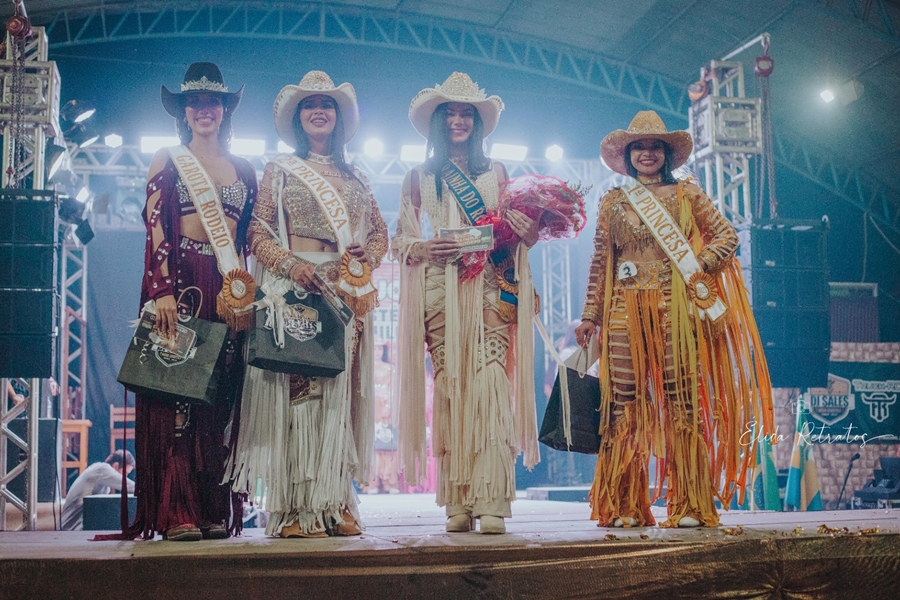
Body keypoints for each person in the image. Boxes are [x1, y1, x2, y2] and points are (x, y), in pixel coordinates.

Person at [574, 111, 773, 528]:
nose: (647, 153)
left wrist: (697, 267)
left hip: (676, 308)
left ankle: (691, 504)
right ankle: (625, 504)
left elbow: (727, 236)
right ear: (628, 154)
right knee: (622, 404)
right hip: (622, 310)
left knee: (682, 401)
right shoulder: (612, 201)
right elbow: (600, 261)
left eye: (655, 146)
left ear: (667, 153)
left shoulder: (687, 194)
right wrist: (590, 314)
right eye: (639, 147)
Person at [226, 70, 388, 538]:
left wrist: (367, 255)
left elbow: (380, 234)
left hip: (343, 292)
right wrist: (290, 265)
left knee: (338, 397)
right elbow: (256, 233)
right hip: (297, 289)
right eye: (310, 105)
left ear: (339, 117)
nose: (319, 111)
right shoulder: (279, 169)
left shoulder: (357, 176)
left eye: (327, 104)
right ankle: (294, 508)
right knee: (300, 395)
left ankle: (335, 501)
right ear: (298, 118)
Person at [111, 63, 258, 542]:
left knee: (220, 394)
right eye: (194, 102)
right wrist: (162, 291)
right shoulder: (168, 158)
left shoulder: (244, 168)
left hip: (227, 285)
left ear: (225, 109)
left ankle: (212, 506)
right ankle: (177, 509)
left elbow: (249, 236)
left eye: (212, 101)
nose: (203, 109)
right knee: (179, 390)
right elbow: (155, 228)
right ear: (183, 111)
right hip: (182, 279)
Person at [392, 72, 541, 535]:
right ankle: (457, 498)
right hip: (440, 288)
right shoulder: (417, 177)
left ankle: (491, 497)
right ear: (437, 122)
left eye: (466, 114)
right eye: (450, 114)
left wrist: (529, 232)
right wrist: (422, 248)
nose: (458, 121)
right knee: (452, 385)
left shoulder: (498, 172)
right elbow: (399, 239)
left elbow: (516, 234)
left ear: (477, 123)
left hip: (490, 285)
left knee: (491, 380)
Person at [61, 450, 135, 531]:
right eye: (125, 473)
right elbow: (131, 486)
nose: (125, 476)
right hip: (70, 529)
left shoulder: (105, 484)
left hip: (76, 528)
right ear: (116, 466)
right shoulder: (101, 469)